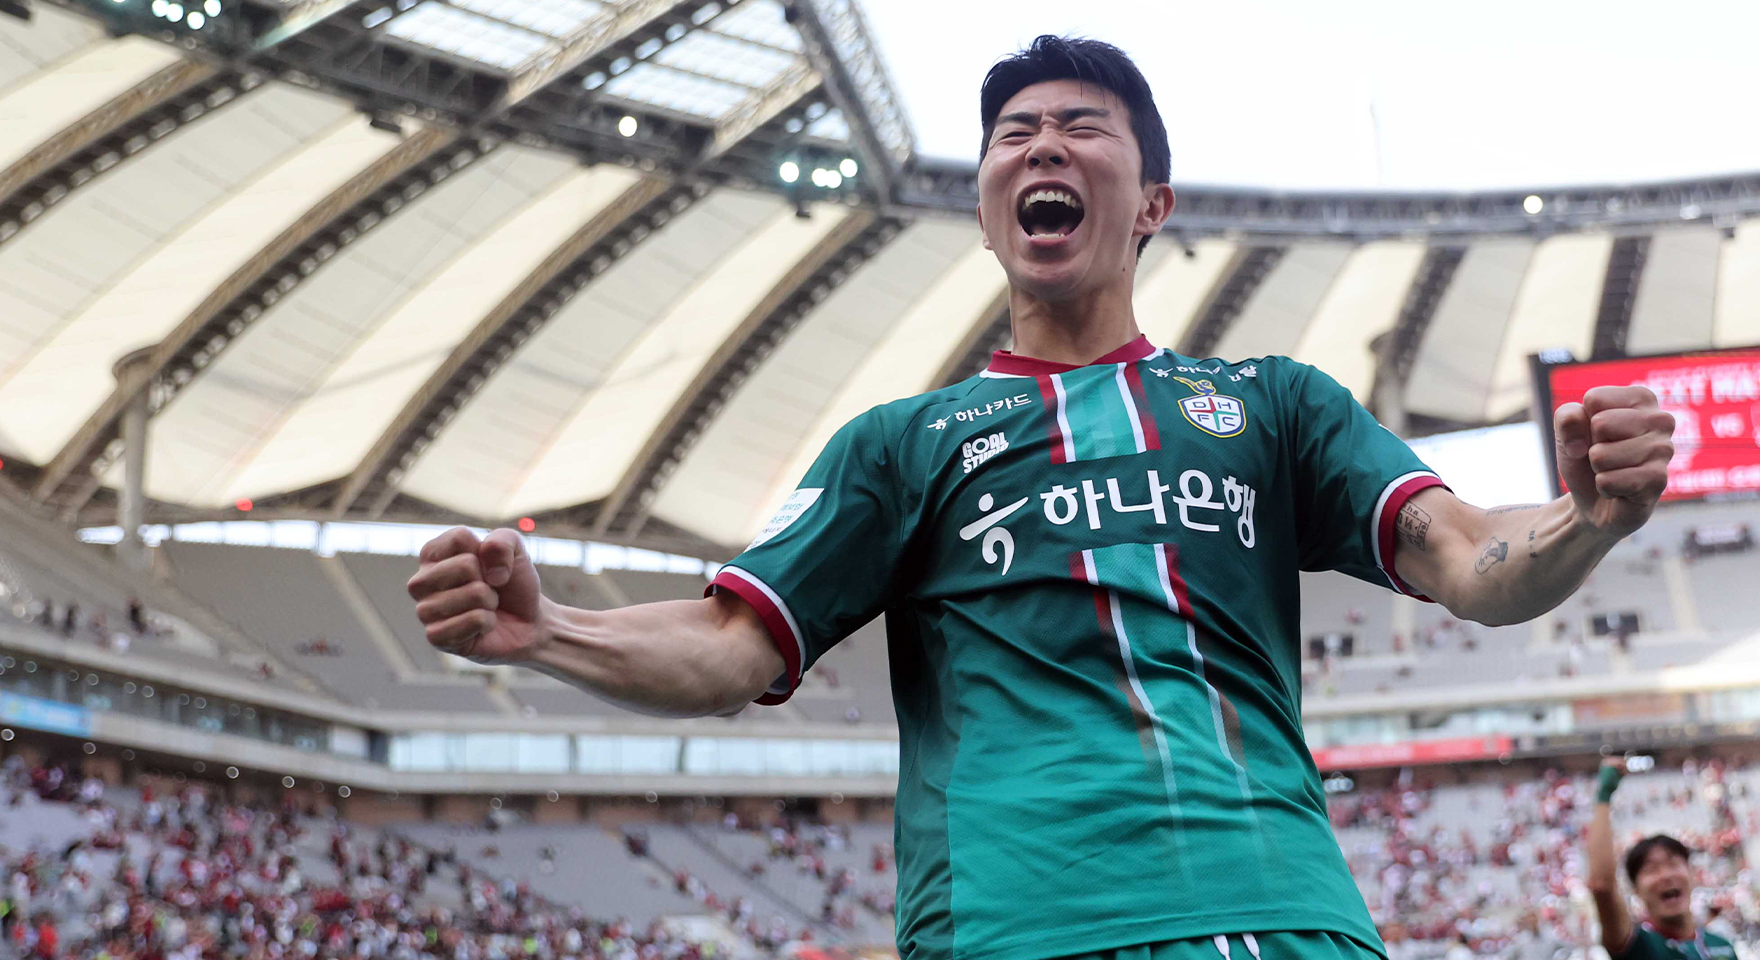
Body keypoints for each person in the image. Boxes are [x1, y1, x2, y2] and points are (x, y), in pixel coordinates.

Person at [403, 34, 1676, 960]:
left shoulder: (1274, 405)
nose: (1042, 145)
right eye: (1013, 134)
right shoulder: (900, 445)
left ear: (1152, 204)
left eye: (1081, 126)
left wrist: (1586, 518)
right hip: (1014, 927)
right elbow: (733, 644)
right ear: (985, 206)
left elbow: (1464, 557)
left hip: (1287, 912)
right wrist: (548, 629)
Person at [1588, 758, 1739, 960]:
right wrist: (1604, 796)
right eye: (1651, 869)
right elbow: (1602, 885)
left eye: (1673, 864)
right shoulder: (1638, 944)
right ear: (1635, 890)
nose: (1666, 875)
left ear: (1693, 874)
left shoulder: (1722, 946)